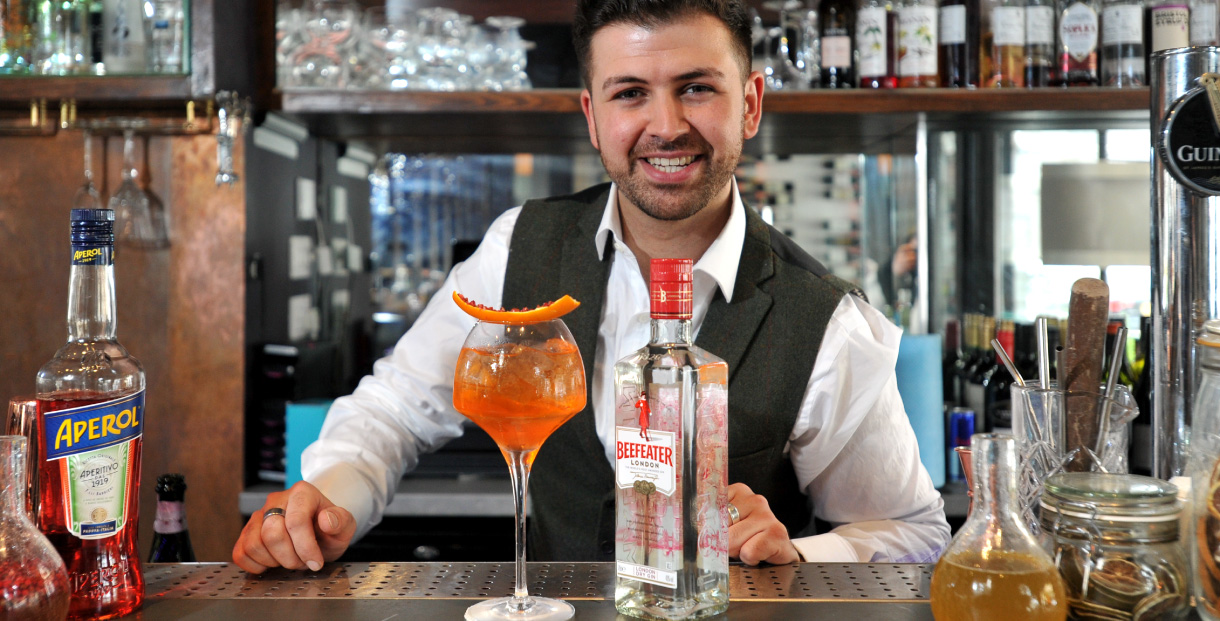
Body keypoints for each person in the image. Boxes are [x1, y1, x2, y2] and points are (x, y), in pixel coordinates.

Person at [232, 0, 950, 574]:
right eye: (630, 93)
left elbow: (915, 532)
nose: (665, 126)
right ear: (593, 117)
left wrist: (795, 551)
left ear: (751, 104)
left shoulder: (824, 318)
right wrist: (329, 503)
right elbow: (395, 408)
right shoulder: (520, 248)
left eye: (697, 88)